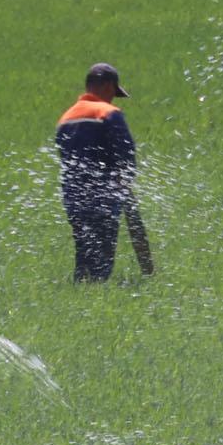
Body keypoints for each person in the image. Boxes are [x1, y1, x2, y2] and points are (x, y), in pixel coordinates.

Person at [55, 63, 138, 282]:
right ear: (109, 86)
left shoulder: (65, 118)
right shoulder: (109, 113)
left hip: (73, 197)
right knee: (102, 253)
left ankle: (81, 289)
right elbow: (126, 153)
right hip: (103, 196)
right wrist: (125, 183)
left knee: (84, 247)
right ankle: (96, 290)